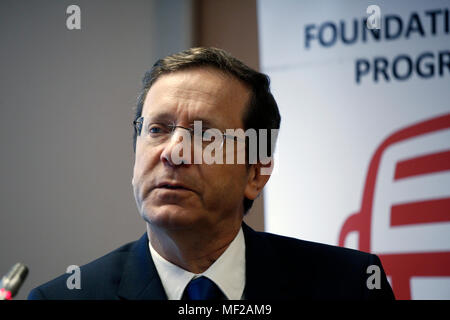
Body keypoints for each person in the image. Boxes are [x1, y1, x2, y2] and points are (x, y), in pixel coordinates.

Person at [28, 47, 394, 300]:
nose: (172, 152)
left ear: (256, 170)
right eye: (157, 129)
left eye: (205, 135)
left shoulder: (350, 285)